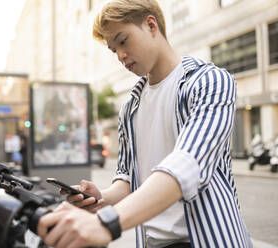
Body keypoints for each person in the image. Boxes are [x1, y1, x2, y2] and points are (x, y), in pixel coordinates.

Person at [37, 0, 253, 247]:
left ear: (151, 25)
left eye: (123, 41)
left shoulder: (210, 82)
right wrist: (101, 198)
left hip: (207, 239)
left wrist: (106, 223)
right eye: (113, 49)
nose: (120, 55)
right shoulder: (130, 107)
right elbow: (129, 178)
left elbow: (188, 164)